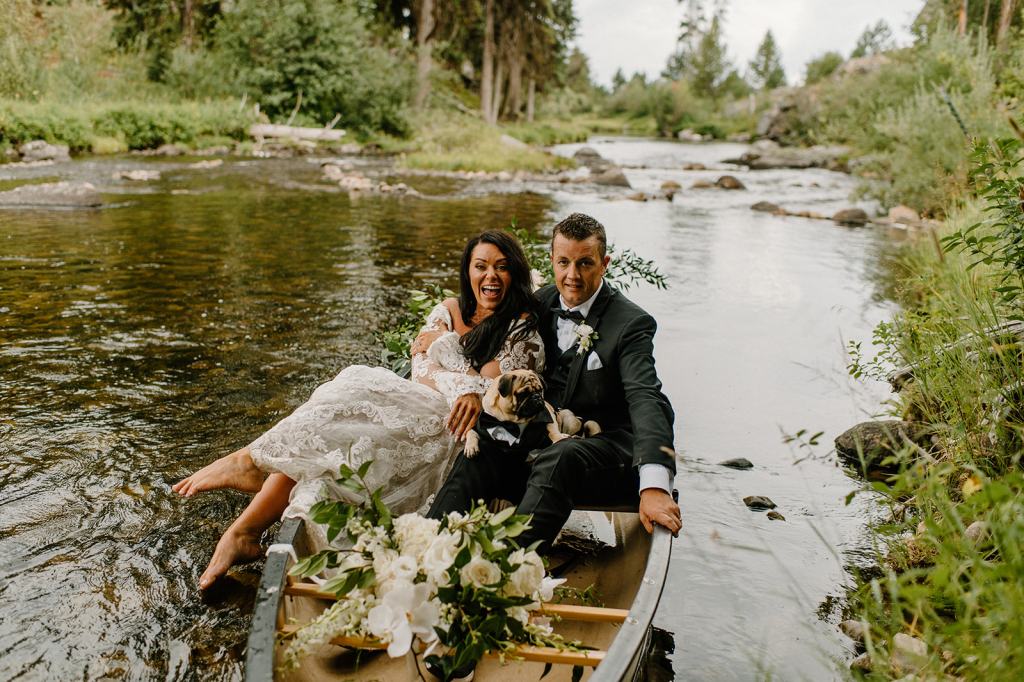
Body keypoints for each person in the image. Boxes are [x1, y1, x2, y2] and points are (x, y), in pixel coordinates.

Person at [173, 230, 543, 589]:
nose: (490, 276)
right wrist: (464, 379)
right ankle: (243, 528)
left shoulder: (521, 329)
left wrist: (448, 348)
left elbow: (493, 395)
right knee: (349, 399)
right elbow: (421, 368)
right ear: (468, 271)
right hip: (411, 410)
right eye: (481, 266)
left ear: (516, 273)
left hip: (453, 432)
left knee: (353, 395)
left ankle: (249, 485)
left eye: (502, 267)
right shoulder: (447, 309)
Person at [428, 213, 682, 548]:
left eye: (585, 263)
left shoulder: (631, 324)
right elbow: (479, 319)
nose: (572, 275)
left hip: (600, 450)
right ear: (551, 261)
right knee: (485, 444)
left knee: (561, 455)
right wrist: (439, 332)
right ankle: (428, 544)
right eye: (563, 262)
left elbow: (645, 397)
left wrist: (654, 486)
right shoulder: (537, 303)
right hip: (539, 438)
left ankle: (509, 567)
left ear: (604, 263)